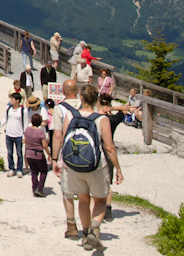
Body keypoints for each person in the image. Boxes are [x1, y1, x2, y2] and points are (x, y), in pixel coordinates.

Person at [52, 84, 123, 250]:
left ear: (81, 98)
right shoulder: (102, 119)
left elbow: (63, 138)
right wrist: (118, 169)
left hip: (74, 165)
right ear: (96, 100)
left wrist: (58, 160)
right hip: (95, 165)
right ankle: (95, 229)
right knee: (100, 200)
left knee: (83, 200)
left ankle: (84, 235)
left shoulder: (70, 115)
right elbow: (109, 148)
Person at [52, 79, 81, 239]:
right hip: (88, 154)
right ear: (77, 91)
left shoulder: (60, 109)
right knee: (86, 193)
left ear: (63, 92)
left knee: (68, 192)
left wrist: (55, 158)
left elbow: (57, 135)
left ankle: (71, 226)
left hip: (69, 154)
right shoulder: (87, 105)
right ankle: (90, 228)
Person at [98, 93, 131, 221]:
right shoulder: (114, 120)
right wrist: (113, 109)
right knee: (107, 182)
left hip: (96, 148)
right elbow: (125, 109)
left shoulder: (96, 117)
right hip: (109, 149)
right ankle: (108, 211)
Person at [24, 113, 50, 197]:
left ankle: (34, 187)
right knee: (43, 171)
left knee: (34, 172)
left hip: (29, 153)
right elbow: (45, 145)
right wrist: (49, 154)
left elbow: (25, 141)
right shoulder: (40, 132)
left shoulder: (27, 130)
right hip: (38, 154)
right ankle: (40, 188)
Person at [2, 93, 26, 177]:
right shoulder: (8, 108)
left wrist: (24, 136)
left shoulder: (23, 111)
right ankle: (11, 168)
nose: (11, 100)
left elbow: (25, 124)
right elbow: (5, 118)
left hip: (18, 134)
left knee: (19, 153)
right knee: (9, 153)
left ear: (17, 100)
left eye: (12, 99)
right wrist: (0, 125)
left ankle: (19, 169)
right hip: (9, 133)